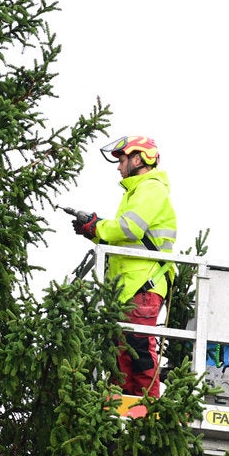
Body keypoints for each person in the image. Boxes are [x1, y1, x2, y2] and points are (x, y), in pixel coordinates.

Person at [72, 135, 177, 398]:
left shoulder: (151, 188)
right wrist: (93, 232)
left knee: (139, 348)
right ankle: (127, 404)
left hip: (144, 282)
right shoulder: (136, 191)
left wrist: (98, 226)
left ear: (138, 158)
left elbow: (130, 228)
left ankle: (148, 406)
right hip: (131, 285)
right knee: (124, 351)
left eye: (122, 160)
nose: (119, 167)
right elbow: (127, 237)